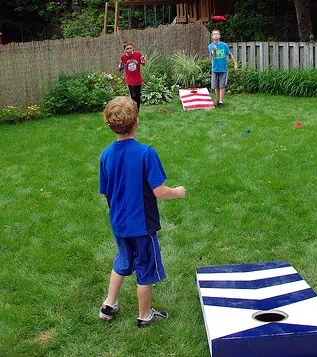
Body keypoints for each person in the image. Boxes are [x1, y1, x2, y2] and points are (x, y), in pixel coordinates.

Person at [99, 96, 186, 327]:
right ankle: (144, 315)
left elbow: (106, 193)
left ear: (110, 125)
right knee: (146, 268)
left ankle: (109, 304)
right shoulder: (146, 153)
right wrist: (177, 191)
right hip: (142, 226)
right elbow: (159, 191)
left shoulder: (105, 155)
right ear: (136, 121)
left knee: (122, 260)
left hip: (119, 224)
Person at [208, 29, 238, 108]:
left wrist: (235, 64)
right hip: (215, 69)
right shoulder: (211, 46)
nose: (216, 35)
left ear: (220, 36)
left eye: (217, 34)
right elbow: (213, 55)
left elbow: (230, 54)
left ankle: (221, 101)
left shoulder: (224, 45)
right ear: (212, 36)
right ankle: (218, 100)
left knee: (222, 86)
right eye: (214, 34)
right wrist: (214, 50)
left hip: (223, 69)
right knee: (216, 86)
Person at [120, 41, 145, 111]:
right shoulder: (123, 57)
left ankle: (137, 111)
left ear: (132, 48)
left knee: (137, 96)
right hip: (130, 80)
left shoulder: (138, 54)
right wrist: (120, 66)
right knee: (133, 96)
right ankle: (133, 110)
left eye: (131, 48)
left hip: (138, 80)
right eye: (127, 48)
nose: (129, 50)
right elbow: (122, 65)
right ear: (125, 50)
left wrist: (144, 61)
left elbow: (143, 63)